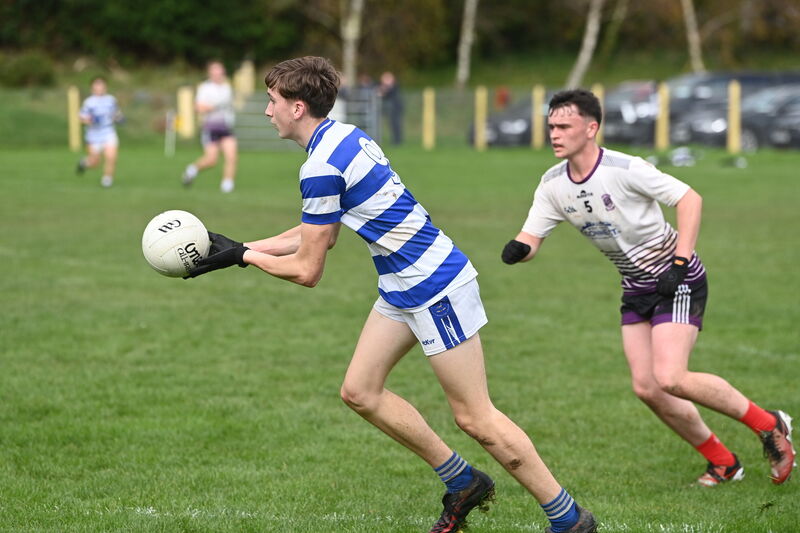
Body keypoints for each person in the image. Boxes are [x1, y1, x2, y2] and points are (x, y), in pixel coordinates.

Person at [186, 57, 597, 533]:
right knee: (360, 391)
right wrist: (245, 245)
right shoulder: (345, 136)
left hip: (433, 285)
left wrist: (242, 259)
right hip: (402, 285)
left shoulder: (320, 166)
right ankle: (462, 481)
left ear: (297, 108)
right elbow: (318, 230)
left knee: (475, 417)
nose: (267, 111)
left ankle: (568, 518)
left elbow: (308, 269)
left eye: (272, 101)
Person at [502, 89, 796, 487]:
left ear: (591, 129)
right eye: (551, 126)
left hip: (677, 277)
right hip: (635, 286)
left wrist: (680, 260)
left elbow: (689, 199)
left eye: (563, 126)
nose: (554, 134)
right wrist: (519, 250)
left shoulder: (625, 168)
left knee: (672, 377)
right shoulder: (553, 183)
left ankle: (770, 425)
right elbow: (531, 238)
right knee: (648, 387)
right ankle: (724, 462)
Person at [182, 60, 238, 193]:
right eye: (215, 71)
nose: (218, 74)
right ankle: (192, 170)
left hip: (225, 127)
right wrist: (211, 107)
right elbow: (198, 107)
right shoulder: (205, 88)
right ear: (210, 73)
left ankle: (227, 185)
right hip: (211, 127)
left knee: (231, 156)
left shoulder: (227, 88)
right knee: (211, 160)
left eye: (220, 71)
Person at [76, 76, 122, 188]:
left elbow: (116, 113)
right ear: (93, 88)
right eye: (97, 86)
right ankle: (84, 163)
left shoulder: (111, 100)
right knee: (95, 163)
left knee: (111, 157)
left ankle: (107, 180)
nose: (100, 88)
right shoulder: (89, 102)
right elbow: (82, 118)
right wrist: (91, 120)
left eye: (102, 85)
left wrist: (119, 118)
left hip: (108, 132)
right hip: (93, 135)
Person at [378, 71, 404, 145]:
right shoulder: (389, 87)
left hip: (396, 108)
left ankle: (397, 141)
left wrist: (383, 91)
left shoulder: (394, 86)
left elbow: (387, 94)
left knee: (396, 124)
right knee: (392, 125)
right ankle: (395, 140)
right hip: (391, 109)